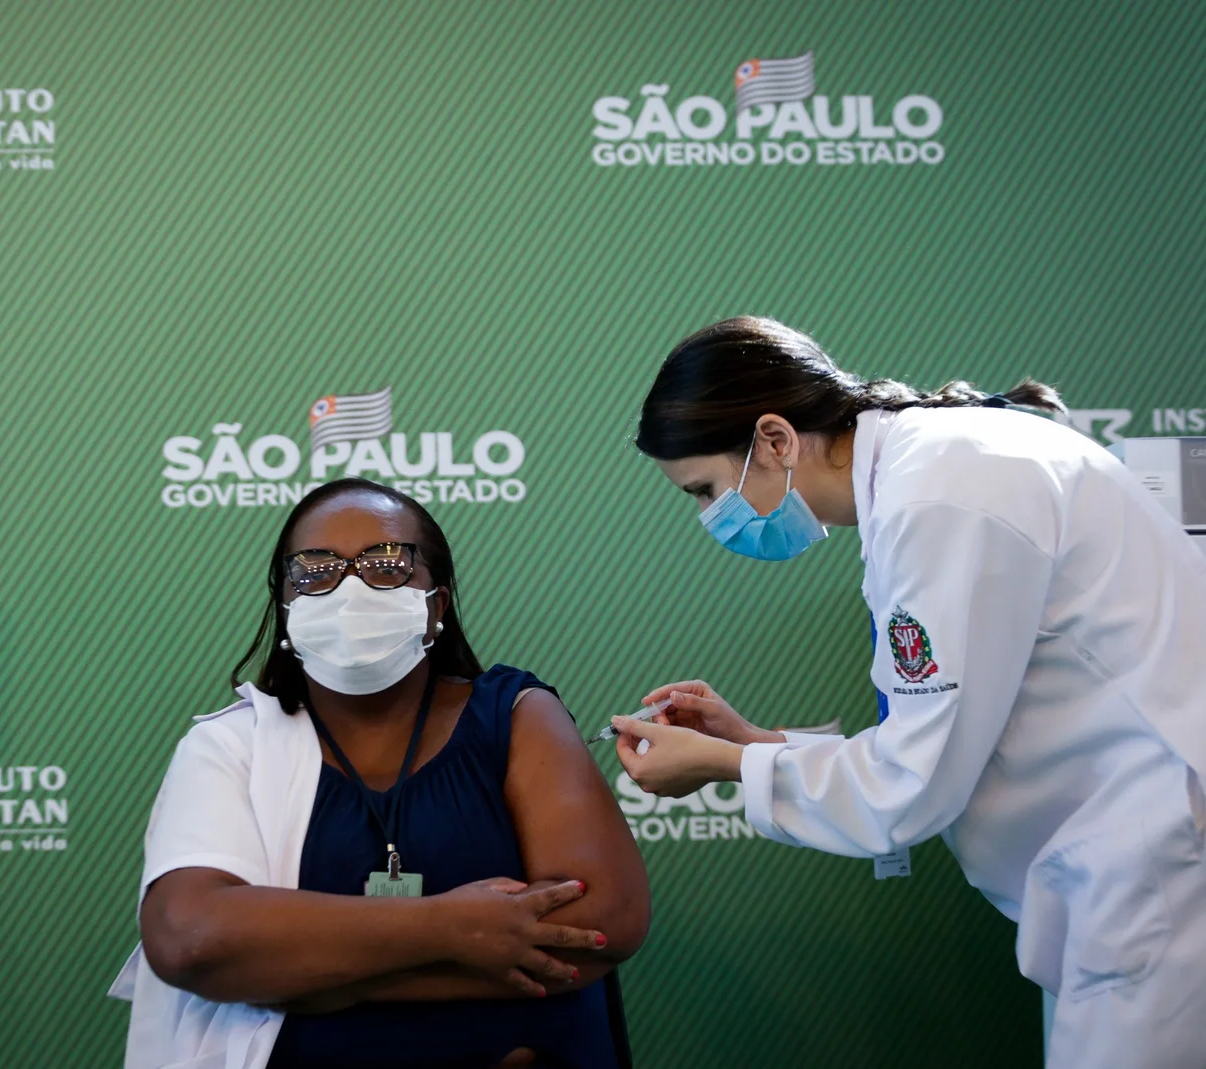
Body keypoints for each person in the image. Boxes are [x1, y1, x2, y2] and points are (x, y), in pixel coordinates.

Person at [611, 316, 1206, 1069]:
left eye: (705, 489)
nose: (709, 516)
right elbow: (943, 733)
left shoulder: (939, 497)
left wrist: (723, 766)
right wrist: (755, 744)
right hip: (1129, 868)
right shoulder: (928, 472)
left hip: (1157, 874)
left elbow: (910, 786)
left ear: (774, 439)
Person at [111, 478, 649, 1069]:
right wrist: (452, 930)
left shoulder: (516, 714)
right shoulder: (230, 744)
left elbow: (601, 923)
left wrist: (313, 978)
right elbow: (190, 938)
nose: (348, 587)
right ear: (286, 604)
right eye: (315, 568)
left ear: (435, 606)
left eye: (386, 563)